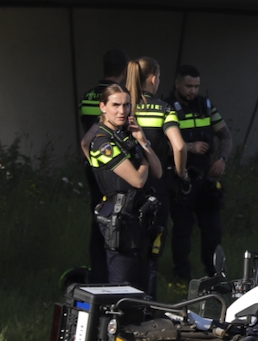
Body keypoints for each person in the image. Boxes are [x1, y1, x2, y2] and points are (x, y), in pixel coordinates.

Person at [84, 83, 164, 292]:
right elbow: (138, 180)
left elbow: (158, 172)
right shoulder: (102, 143)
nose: (122, 111)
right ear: (103, 107)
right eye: (116, 105)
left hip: (137, 214)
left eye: (127, 105)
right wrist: (144, 162)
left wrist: (143, 141)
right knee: (123, 285)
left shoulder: (126, 135)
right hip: (119, 216)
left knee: (142, 282)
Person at [170, 64, 231, 282]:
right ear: (177, 83)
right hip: (182, 175)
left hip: (206, 176)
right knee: (182, 231)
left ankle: (213, 275)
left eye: (196, 86)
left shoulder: (205, 105)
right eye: (188, 86)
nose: (192, 91)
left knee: (213, 231)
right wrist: (188, 147)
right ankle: (181, 277)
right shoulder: (168, 108)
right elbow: (160, 145)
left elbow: (225, 135)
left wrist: (222, 159)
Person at [128, 56, 186, 280]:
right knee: (152, 243)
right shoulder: (163, 109)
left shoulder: (123, 107)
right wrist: (181, 174)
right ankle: (147, 298)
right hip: (155, 185)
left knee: (127, 244)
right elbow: (179, 147)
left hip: (127, 184)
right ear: (153, 79)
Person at [77, 49, 129, 280]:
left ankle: (98, 272)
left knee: (97, 219)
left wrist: (92, 163)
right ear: (124, 70)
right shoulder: (121, 97)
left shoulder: (88, 96)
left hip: (95, 164)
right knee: (116, 221)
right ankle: (113, 274)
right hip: (115, 165)